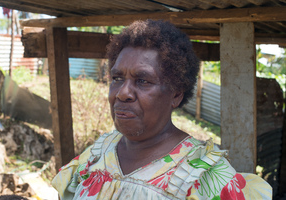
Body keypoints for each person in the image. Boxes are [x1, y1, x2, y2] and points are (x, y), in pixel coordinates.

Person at [52, 19, 272, 200]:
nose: (122, 93)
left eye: (143, 81)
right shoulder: (96, 155)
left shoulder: (203, 175)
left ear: (176, 94)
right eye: (117, 78)